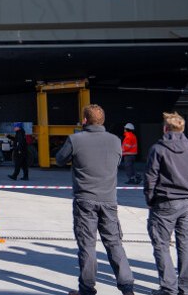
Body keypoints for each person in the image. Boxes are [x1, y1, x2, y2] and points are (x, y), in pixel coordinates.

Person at [56, 104, 135, 295]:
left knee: (87, 245)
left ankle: (87, 289)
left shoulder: (76, 139)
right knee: (114, 244)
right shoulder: (116, 141)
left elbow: (59, 159)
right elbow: (116, 163)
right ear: (103, 121)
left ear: (84, 120)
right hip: (109, 200)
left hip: (85, 200)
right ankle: (127, 288)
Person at [144, 112, 188, 295]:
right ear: (182, 128)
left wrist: (150, 199)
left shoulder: (158, 149)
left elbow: (150, 178)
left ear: (165, 129)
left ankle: (168, 287)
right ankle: (186, 289)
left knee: (161, 245)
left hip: (165, 203)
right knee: (185, 246)